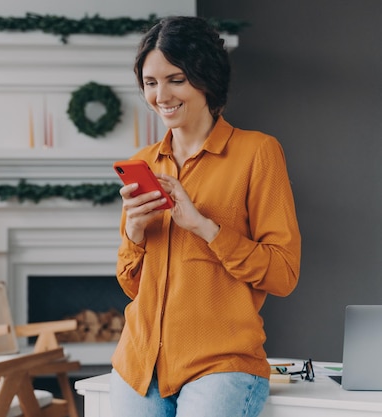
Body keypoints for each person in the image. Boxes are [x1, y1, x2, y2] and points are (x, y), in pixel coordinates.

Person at [110, 16, 301, 417]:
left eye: (176, 79)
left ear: (206, 79)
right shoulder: (143, 163)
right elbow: (132, 287)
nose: (161, 95)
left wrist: (203, 226)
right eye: (150, 82)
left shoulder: (258, 153)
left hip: (221, 364)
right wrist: (134, 232)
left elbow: (283, 273)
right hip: (140, 364)